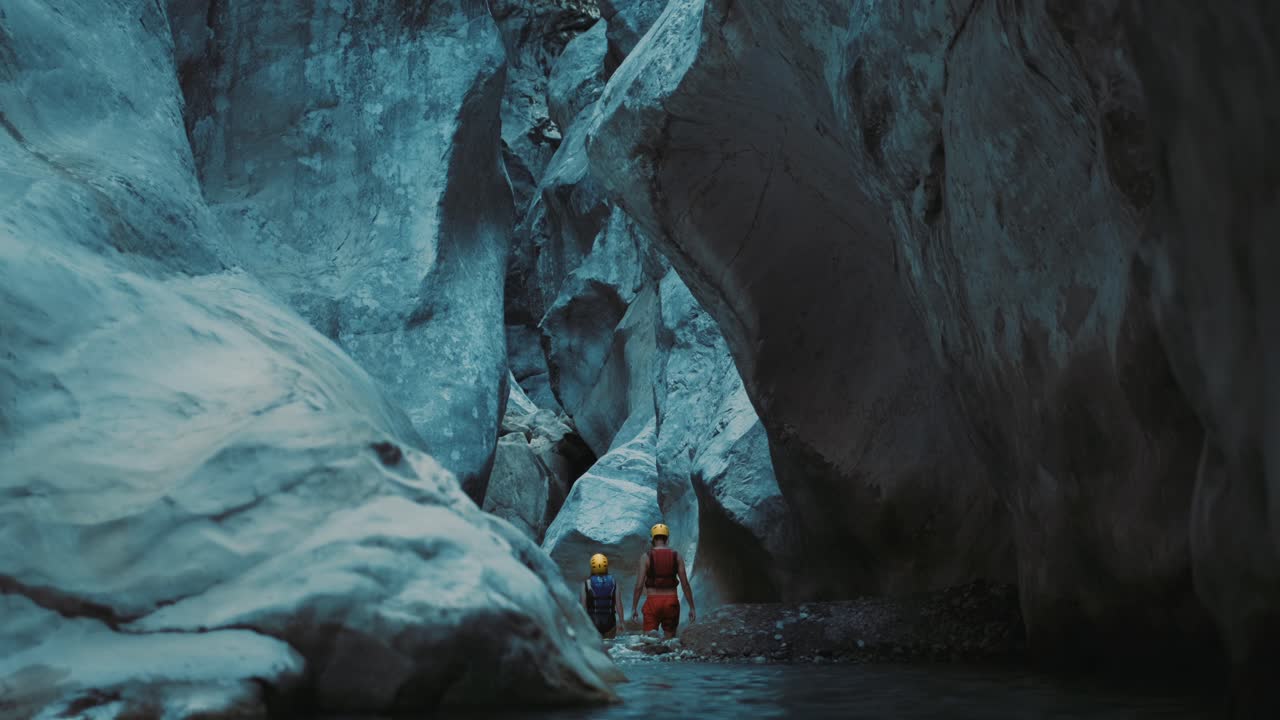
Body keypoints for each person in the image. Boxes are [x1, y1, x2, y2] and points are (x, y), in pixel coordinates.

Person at [631, 523, 695, 638]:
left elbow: (639, 585)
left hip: (652, 602)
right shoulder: (677, 556)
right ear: (667, 539)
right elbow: (685, 584)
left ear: (652, 539)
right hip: (671, 602)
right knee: (670, 641)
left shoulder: (646, 557)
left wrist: (634, 607)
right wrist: (692, 607)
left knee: (649, 641)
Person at [584, 553, 624, 638]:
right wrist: (621, 622)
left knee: (596, 645)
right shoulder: (614, 582)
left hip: (593, 622)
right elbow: (619, 604)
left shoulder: (587, 583)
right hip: (610, 622)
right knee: (610, 645)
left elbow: (583, 607)